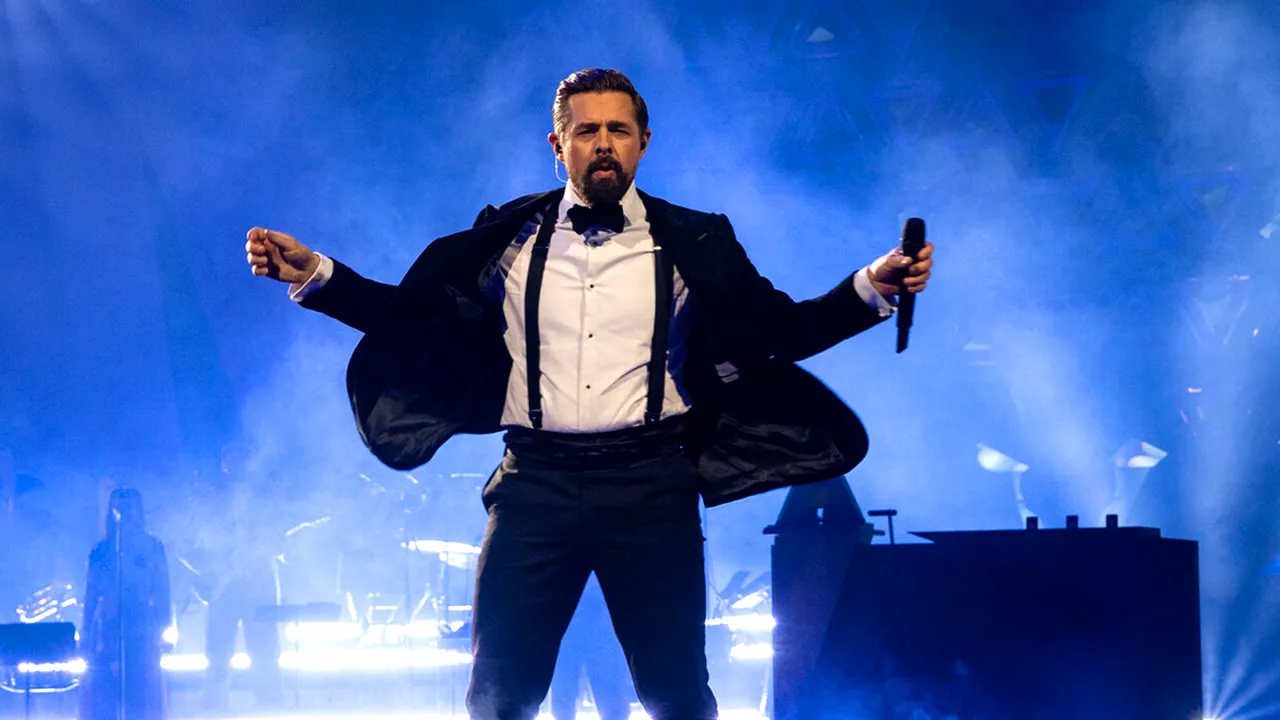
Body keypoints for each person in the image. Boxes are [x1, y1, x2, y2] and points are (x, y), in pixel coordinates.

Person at [243, 68, 934, 720]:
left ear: (643, 142)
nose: (604, 144)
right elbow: (411, 320)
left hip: (650, 484)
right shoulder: (509, 237)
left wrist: (870, 287)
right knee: (497, 696)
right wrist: (320, 276)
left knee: (677, 696)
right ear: (558, 144)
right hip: (534, 484)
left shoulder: (694, 239)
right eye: (586, 130)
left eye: (618, 130)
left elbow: (781, 330)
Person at [195, 443, 284, 712]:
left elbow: (278, 539)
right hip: (224, 587)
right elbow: (197, 540)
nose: (239, 464)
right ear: (225, 463)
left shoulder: (267, 496)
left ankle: (270, 707)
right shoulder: (211, 497)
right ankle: (214, 708)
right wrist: (209, 574)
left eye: (243, 458)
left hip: (258, 584)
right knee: (218, 653)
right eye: (233, 458)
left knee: (265, 650)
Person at [79, 488, 170, 720]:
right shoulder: (101, 551)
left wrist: (165, 627)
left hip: (141, 622)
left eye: (130, 507)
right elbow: (91, 594)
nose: (125, 513)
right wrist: (86, 631)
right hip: (108, 625)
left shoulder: (153, 547)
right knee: (105, 684)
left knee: (141, 682)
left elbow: (162, 590)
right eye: (119, 507)